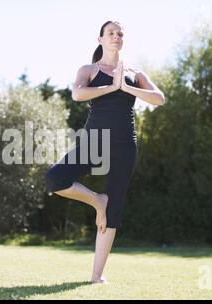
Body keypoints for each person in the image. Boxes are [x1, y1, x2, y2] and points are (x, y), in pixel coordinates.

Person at [45, 20, 165, 284]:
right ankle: (97, 200)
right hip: (94, 142)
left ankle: (96, 277)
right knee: (55, 179)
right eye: (111, 33)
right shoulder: (89, 69)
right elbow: (77, 94)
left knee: (114, 210)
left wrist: (126, 87)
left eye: (120, 33)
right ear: (100, 39)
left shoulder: (134, 72)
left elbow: (159, 98)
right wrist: (111, 86)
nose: (116, 36)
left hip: (124, 145)